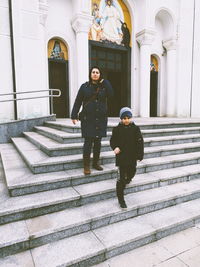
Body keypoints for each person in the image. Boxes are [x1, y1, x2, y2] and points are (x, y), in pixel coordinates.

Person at [71, 66, 113, 175]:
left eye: (97, 72)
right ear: (90, 74)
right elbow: (78, 101)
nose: (95, 74)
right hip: (88, 119)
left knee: (98, 142)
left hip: (100, 119)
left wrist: (106, 82)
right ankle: (86, 165)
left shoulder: (104, 87)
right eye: (93, 72)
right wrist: (74, 115)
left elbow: (112, 95)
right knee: (88, 142)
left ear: (100, 75)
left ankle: (95, 163)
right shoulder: (84, 87)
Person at [110, 107, 144, 209]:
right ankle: (121, 200)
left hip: (132, 156)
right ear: (121, 118)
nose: (126, 120)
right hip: (121, 158)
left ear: (131, 118)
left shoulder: (135, 129)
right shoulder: (116, 129)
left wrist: (140, 154)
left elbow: (140, 142)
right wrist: (115, 147)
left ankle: (128, 178)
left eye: (128, 118)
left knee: (132, 171)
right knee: (121, 180)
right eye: (124, 118)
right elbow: (112, 141)